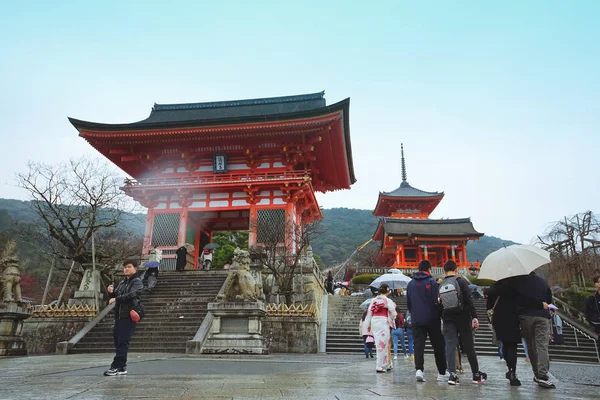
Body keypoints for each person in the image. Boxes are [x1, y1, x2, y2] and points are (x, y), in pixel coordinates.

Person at [488, 276, 548, 387]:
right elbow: (522, 300)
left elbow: (489, 306)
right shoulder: (515, 285)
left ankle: (510, 369)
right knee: (512, 346)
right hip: (512, 318)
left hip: (498, 319)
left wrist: (490, 321)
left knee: (505, 344)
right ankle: (513, 373)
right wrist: (540, 304)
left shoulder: (494, 288)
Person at [439, 261, 487, 385]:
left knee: (450, 346)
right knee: (469, 345)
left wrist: (442, 316)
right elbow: (468, 300)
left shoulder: (440, 284)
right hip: (463, 317)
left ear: (444, 271)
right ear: (456, 270)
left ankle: (452, 375)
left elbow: (439, 305)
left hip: (448, 318)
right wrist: (474, 316)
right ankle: (476, 375)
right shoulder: (461, 281)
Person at [406, 260, 448, 382]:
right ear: (429, 269)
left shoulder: (410, 284)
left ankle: (419, 370)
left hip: (416, 319)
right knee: (438, 346)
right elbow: (437, 300)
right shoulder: (432, 282)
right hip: (432, 318)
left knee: (418, 345)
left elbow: (409, 304)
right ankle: (441, 372)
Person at [514, 271, 555, 389]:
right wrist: (541, 304)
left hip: (526, 316)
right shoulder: (543, 281)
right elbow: (549, 300)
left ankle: (536, 372)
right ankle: (543, 374)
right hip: (542, 316)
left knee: (531, 345)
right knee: (542, 345)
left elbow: (518, 300)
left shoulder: (519, 282)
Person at [104, 260, 144, 376]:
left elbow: (132, 294)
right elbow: (117, 295)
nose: (126, 269)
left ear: (135, 268)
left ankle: (116, 366)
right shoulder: (122, 282)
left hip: (128, 315)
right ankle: (122, 367)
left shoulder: (137, 282)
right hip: (119, 315)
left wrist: (116, 298)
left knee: (123, 341)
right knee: (117, 340)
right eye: (125, 267)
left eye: (129, 267)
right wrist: (111, 293)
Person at [363, 284, 397, 373]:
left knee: (380, 343)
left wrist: (368, 325)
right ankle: (379, 365)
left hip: (374, 321)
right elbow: (393, 313)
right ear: (388, 290)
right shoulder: (387, 300)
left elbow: (369, 313)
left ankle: (385, 364)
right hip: (383, 321)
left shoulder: (374, 300)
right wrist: (393, 309)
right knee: (382, 344)